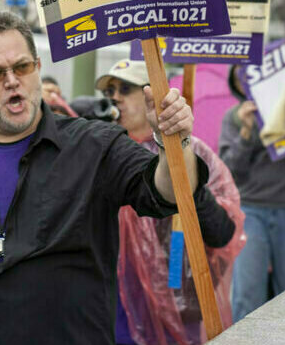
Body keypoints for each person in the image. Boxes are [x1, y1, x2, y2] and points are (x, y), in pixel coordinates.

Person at [0, 11, 210, 344]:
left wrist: (175, 140)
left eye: (22, 67)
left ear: (38, 68)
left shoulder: (94, 145)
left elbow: (164, 193)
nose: (12, 81)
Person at [96, 60, 244, 344]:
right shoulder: (102, 151)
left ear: (151, 94)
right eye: (109, 91)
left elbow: (222, 231)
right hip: (115, 303)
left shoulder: (190, 150)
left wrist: (184, 177)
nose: (114, 98)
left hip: (176, 301)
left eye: (124, 88)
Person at [219, 65, 285, 322]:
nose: (246, 83)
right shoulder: (234, 117)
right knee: (247, 294)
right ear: (236, 85)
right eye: (239, 79)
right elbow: (230, 172)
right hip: (251, 212)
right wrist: (245, 133)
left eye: (250, 75)